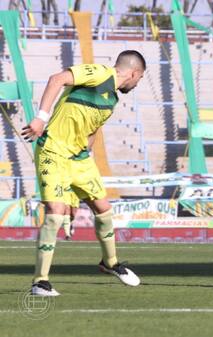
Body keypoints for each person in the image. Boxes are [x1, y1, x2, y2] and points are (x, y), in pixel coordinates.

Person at [21, 50, 146, 296]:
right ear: (134, 73)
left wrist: (75, 189)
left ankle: (110, 263)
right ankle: (40, 281)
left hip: (79, 159)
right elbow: (56, 79)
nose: (137, 83)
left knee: (104, 209)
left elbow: (91, 132)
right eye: (139, 79)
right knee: (55, 214)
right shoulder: (99, 73)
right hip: (53, 151)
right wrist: (40, 118)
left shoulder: (111, 100)